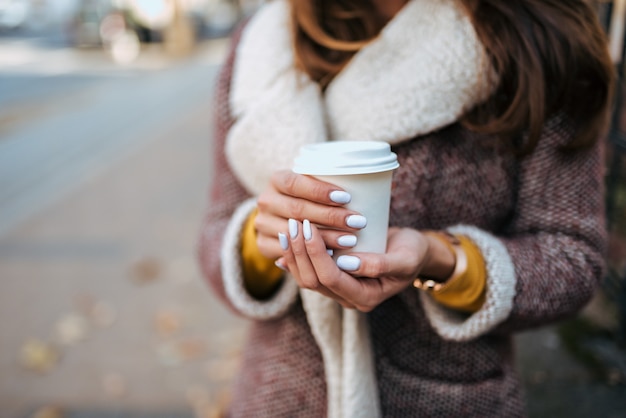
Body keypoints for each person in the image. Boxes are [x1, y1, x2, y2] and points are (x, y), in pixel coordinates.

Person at [197, 0, 614, 416]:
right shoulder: (263, 47)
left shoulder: (539, 37)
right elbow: (216, 234)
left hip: (451, 402)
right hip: (276, 396)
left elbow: (572, 257)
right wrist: (259, 239)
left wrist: (441, 259)